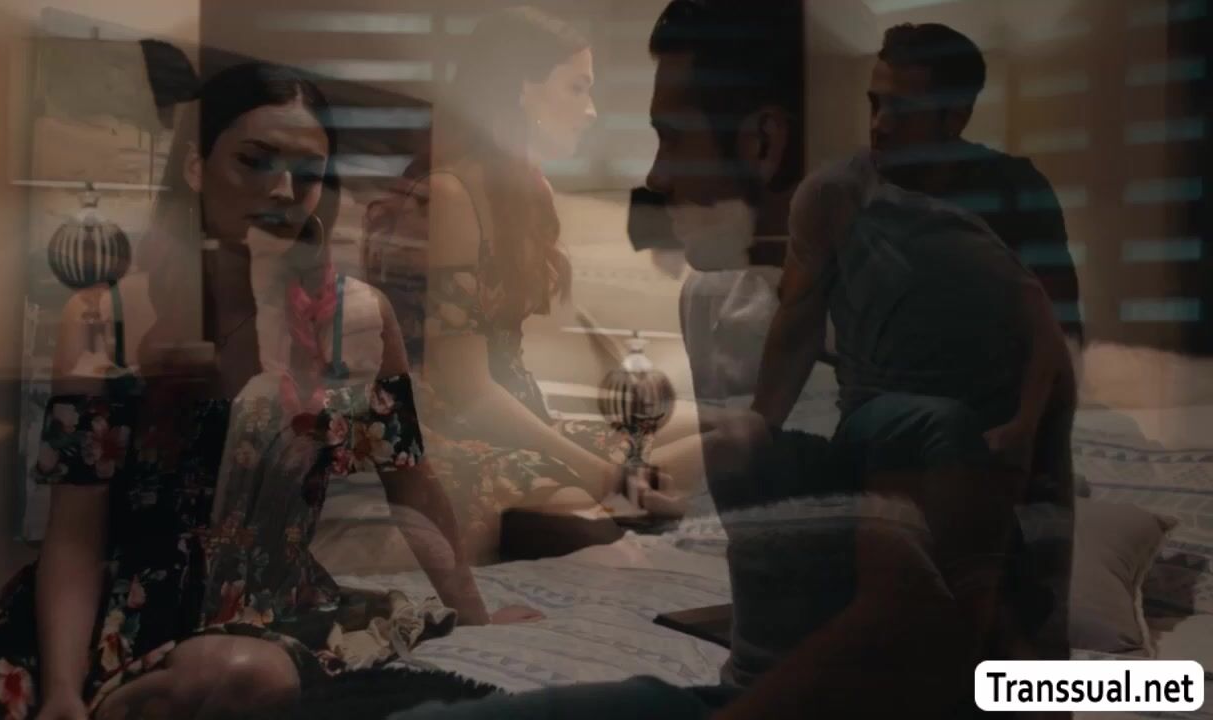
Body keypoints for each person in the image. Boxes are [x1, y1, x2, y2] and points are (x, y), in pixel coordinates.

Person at [388, 1, 1075, 718]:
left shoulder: (927, 302)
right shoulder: (731, 302)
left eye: (673, 136)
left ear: (765, 143)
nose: (654, 176)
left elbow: (916, 624)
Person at [0, 61, 534, 720]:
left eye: (307, 173)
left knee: (244, 676)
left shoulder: (357, 320)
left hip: (277, 611)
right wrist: (60, 693)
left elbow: (409, 485)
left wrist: (475, 615)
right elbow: (75, 534)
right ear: (196, 166)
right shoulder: (108, 318)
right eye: (254, 160)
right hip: (114, 616)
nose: (283, 190)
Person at [365, 6, 622, 558]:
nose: (592, 111)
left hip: (517, 411)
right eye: (577, 88)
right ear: (522, 89)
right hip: (447, 428)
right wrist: (601, 474)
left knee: (723, 442)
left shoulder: (529, 191)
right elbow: (465, 389)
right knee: (595, 525)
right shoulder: (450, 195)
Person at [868, 22, 1085, 346]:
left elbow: (1062, 334)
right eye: (875, 104)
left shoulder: (1015, 191)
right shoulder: (856, 191)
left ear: (955, 118)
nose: (879, 125)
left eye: (902, 109)